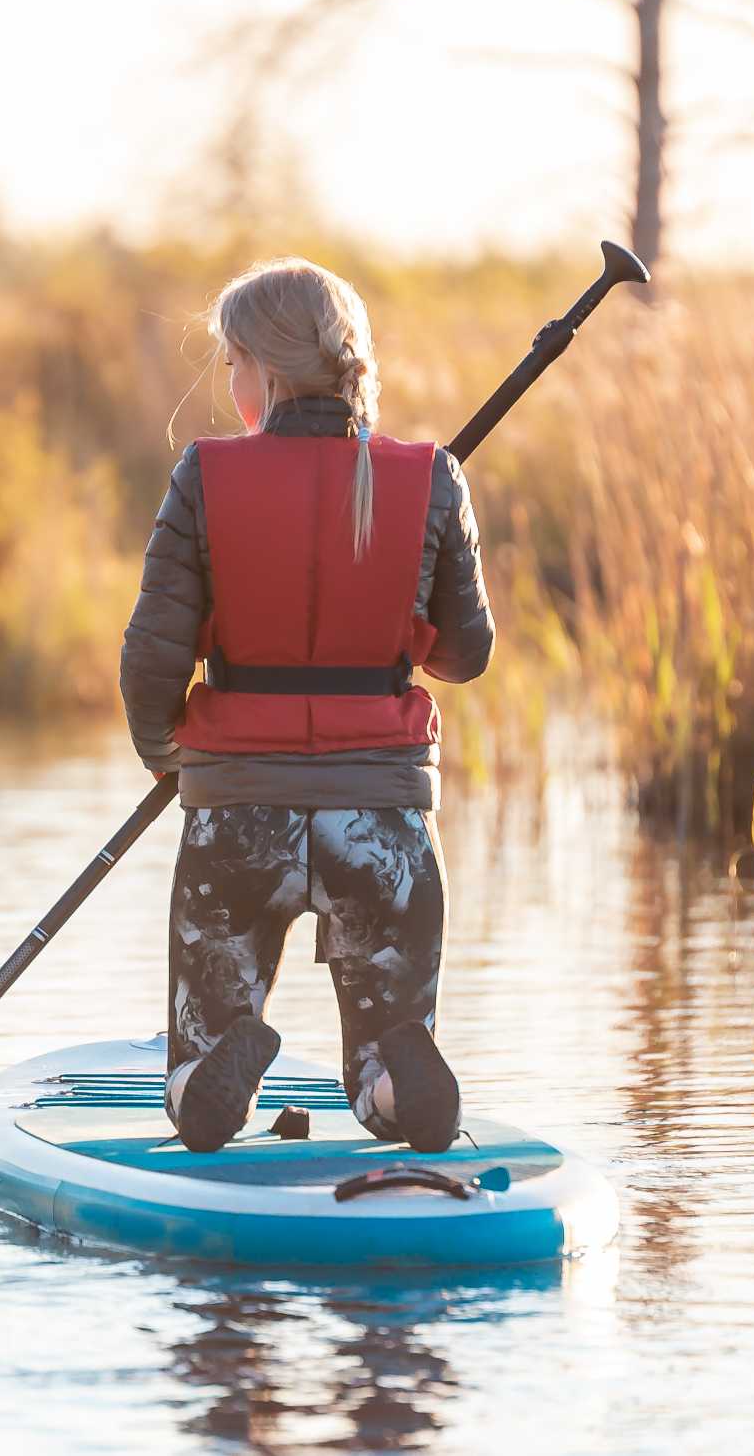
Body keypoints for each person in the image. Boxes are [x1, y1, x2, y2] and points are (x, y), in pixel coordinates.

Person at [118, 257, 494, 1154]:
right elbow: (467, 652)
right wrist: (398, 613)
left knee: (197, 1047)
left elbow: (151, 660)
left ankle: (208, 1077)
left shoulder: (203, 474)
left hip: (239, 813)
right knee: (380, 1067)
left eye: (232, 365)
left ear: (265, 369)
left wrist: (164, 753)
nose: (231, 386)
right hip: (383, 820)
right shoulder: (432, 477)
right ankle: (396, 1081)